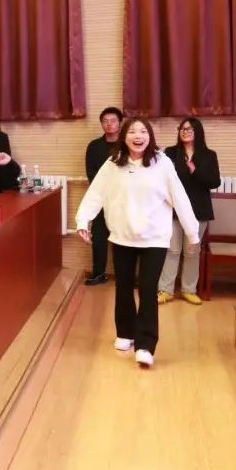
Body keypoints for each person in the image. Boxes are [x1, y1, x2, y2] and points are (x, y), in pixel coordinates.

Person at [76, 118, 199, 369]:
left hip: (154, 238)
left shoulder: (162, 163)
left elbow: (180, 198)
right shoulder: (113, 163)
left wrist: (192, 233)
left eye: (143, 131)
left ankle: (145, 345)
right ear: (124, 137)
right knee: (123, 286)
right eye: (132, 131)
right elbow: (96, 193)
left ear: (149, 136)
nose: (138, 136)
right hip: (122, 236)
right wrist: (82, 220)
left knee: (147, 289)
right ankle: (125, 333)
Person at [158, 118, 221, 306]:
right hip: (173, 210)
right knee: (172, 250)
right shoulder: (170, 153)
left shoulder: (209, 155)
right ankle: (165, 290)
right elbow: (162, 178)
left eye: (189, 129)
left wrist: (195, 171)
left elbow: (214, 182)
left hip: (199, 210)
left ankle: (188, 290)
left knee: (192, 252)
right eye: (182, 128)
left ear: (198, 131)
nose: (185, 131)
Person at [83, 107, 123, 286]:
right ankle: (99, 273)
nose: (109, 124)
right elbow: (91, 173)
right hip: (100, 199)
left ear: (120, 123)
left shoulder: (126, 144)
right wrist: (102, 194)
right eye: (105, 121)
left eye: (113, 121)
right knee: (99, 238)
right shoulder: (94, 146)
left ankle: (124, 276)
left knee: (122, 239)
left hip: (122, 200)